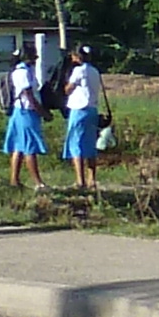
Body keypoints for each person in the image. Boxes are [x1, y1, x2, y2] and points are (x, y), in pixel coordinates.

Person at [61, 42, 109, 200]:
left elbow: (69, 89)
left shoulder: (78, 71)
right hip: (92, 109)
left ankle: (80, 180)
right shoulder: (95, 71)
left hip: (79, 109)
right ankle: (92, 179)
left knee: (76, 145)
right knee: (90, 145)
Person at [0, 42, 49, 189]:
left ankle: (14, 180)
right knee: (29, 147)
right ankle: (38, 182)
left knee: (19, 147)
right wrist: (42, 112)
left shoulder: (26, 70)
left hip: (20, 111)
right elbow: (29, 95)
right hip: (25, 111)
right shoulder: (22, 72)